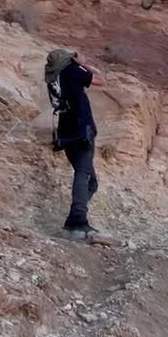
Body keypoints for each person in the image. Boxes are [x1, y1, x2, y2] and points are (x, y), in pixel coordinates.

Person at [44, 48, 104, 240]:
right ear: (67, 60)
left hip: (65, 132)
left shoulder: (53, 77)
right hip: (81, 129)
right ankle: (78, 221)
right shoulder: (73, 70)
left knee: (91, 181)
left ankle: (73, 218)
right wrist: (83, 64)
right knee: (84, 174)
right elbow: (101, 81)